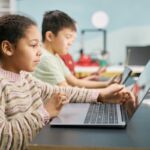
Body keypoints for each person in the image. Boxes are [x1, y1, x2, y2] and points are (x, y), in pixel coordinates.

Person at [0, 14, 134, 150]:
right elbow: (3, 139)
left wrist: (101, 95)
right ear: (8, 48)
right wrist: (45, 113)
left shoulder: (25, 78)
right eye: (33, 45)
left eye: (39, 45)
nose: (39, 51)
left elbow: (61, 91)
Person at [33, 10, 118, 88]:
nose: (70, 43)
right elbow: (67, 90)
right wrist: (103, 94)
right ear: (50, 36)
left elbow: (75, 82)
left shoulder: (55, 56)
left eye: (72, 40)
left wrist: (106, 84)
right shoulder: (46, 58)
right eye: (68, 37)